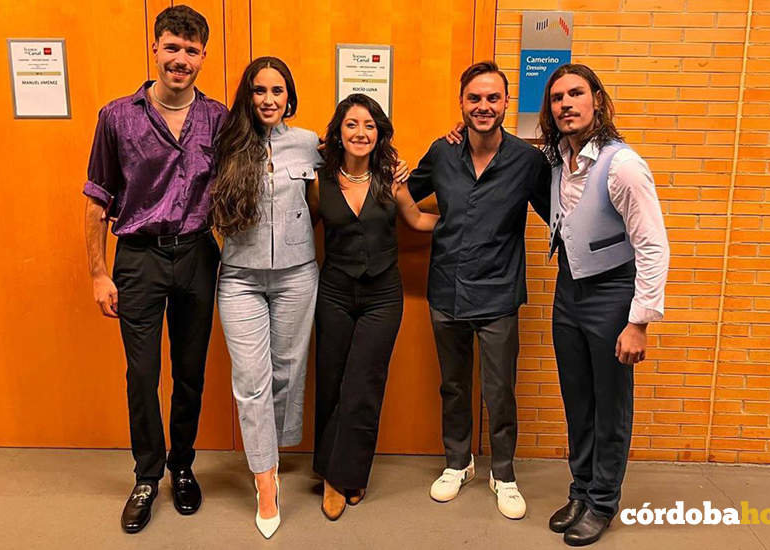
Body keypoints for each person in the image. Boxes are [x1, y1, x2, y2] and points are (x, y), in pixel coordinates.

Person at [82, 5, 226, 534]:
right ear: (155, 48)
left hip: (196, 255)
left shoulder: (218, 119)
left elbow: (259, 160)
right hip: (138, 259)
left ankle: (182, 466)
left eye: (191, 51)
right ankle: (147, 475)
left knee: (190, 374)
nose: (180, 59)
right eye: (172, 47)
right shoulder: (116, 116)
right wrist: (100, 273)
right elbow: (97, 201)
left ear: (203, 57)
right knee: (142, 375)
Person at [406, 61, 551, 520]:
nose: (483, 106)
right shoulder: (442, 152)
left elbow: (560, 216)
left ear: (506, 103)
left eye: (493, 98)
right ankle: (458, 463)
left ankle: (503, 473)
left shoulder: (528, 162)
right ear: (462, 103)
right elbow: (404, 191)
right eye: (475, 98)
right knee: (452, 385)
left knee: (499, 389)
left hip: (498, 293)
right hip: (446, 288)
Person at [539, 64, 669, 546]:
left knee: (610, 404)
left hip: (614, 294)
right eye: (557, 98)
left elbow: (654, 246)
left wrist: (638, 322)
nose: (566, 104)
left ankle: (603, 501)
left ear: (597, 100)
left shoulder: (623, 165)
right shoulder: (557, 159)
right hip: (567, 291)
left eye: (576, 94)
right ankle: (580, 489)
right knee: (578, 400)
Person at [307, 94, 436, 521]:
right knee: (331, 381)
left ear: (378, 133)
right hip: (335, 292)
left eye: (369, 125)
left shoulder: (391, 180)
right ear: (338, 133)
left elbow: (417, 220)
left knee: (364, 384)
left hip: (383, 294)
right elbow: (301, 227)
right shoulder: (319, 180)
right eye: (351, 124)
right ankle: (331, 472)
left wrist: (475, 221)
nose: (360, 133)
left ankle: (346, 473)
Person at [210, 56, 321, 539]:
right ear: (248, 96)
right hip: (240, 279)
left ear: (289, 97)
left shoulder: (310, 143)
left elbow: (352, 172)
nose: (269, 99)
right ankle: (266, 480)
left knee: (286, 371)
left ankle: (271, 450)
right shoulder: (225, 143)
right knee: (250, 379)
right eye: (259, 91)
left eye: (278, 91)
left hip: (298, 275)